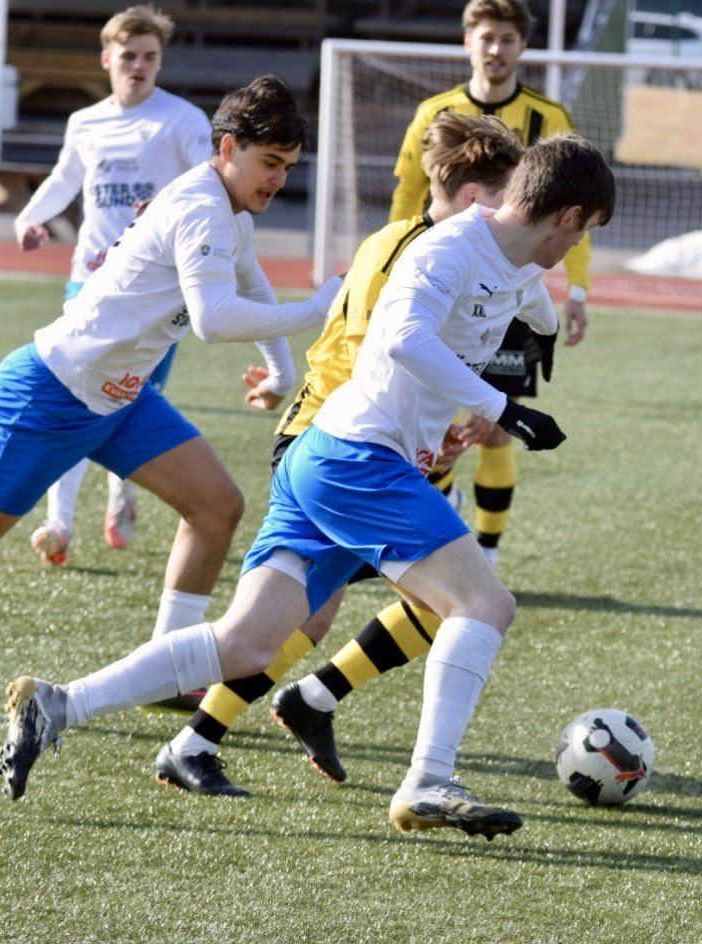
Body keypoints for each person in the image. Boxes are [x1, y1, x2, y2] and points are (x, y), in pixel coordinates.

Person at [0, 132, 616, 842]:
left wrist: (544, 332)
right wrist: (502, 407)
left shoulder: (516, 261)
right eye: (585, 231)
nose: (578, 247)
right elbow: (404, 340)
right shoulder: (446, 250)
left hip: (335, 459)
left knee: (246, 644)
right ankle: (428, 779)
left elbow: (526, 301)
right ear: (567, 216)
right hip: (358, 458)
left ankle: (58, 705)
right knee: (484, 605)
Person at [0, 70, 342, 686]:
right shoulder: (202, 207)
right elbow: (212, 319)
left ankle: (169, 673)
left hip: (120, 399)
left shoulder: (227, 207)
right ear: (229, 147)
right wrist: (317, 310)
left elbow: (252, 284)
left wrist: (282, 372)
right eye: (270, 162)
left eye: (287, 167)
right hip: (53, 391)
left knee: (216, 507)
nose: (279, 180)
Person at [153, 111, 527, 797]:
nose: (512, 217)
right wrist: (423, 430)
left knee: (439, 604)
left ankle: (299, 704)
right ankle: (202, 733)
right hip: (339, 443)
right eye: (508, 199)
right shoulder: (415, 249)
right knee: (411, 604)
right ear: (477, 194)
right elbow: (374, 355)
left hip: (376, 445)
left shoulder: (432, 245)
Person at [391, 0, 590, 569]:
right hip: (446, 287)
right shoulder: (435, 113)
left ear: (522, 46)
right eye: (487, 37)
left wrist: (575, 290)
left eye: (507, 39)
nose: (496, 49)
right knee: (433, 420)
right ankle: (442, 515)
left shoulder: (548, 116)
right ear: (468, 42)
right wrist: (390, 258)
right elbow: (407, 196)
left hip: (509, 291)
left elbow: (574, 217)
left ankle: (488, 551)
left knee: (496, 427)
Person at [14, 4, 213, 566]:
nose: (139, 66)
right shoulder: (86, 122)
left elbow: (210, 186)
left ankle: (121, 492)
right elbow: (65, 179)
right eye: (129, 56)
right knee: (74, 397)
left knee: (127, 402)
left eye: (150, 56)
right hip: (89, 283)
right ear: (107, 59)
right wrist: (28, 218)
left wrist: (169, 213)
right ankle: (58, 522)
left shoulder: (183, 120)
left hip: (155, 293)